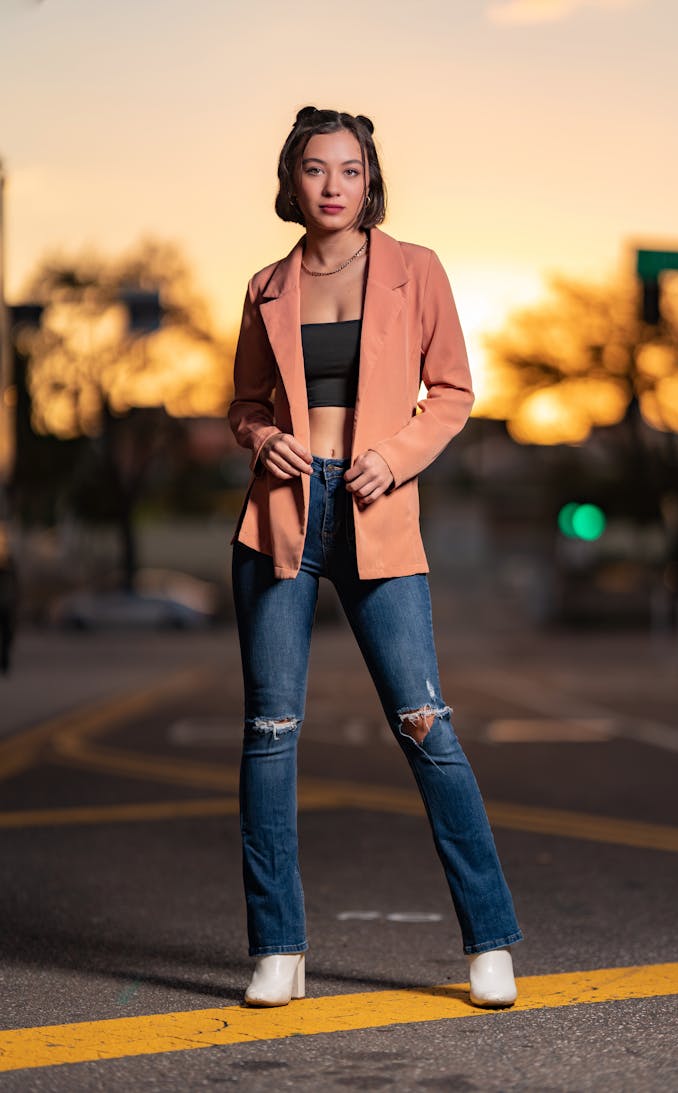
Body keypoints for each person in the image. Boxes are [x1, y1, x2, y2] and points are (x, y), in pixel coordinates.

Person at [228, 106, 523, 1009]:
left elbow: (455, 391)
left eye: (349, 171)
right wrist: (265, 436)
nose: (331, 186)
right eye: (315, 170)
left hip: (376, 509)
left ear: (369, 180)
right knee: (270, 735)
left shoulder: (415, 271)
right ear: (293, 180)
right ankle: (278, 949)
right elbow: (241, 403)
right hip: (280, 518)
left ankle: (490, 942)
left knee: (425, 722)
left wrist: (391, 459)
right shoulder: (266, 286)